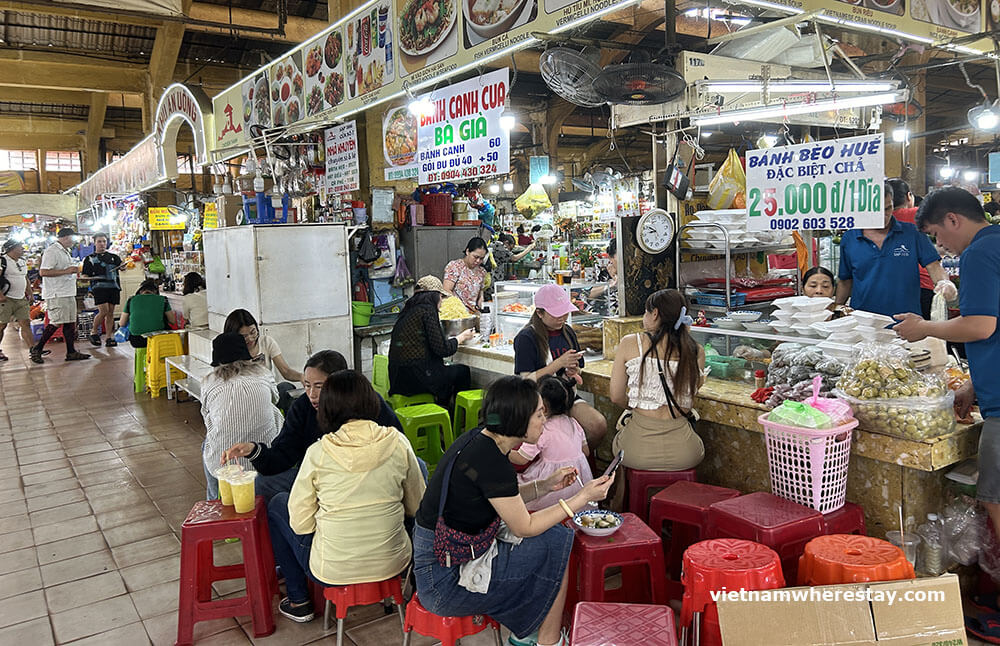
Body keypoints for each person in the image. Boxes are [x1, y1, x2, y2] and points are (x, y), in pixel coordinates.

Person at [413, 376, 615, 646]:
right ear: (520, 417)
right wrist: (583, 497)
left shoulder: (480, 440)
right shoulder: (491, 460)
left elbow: (503, 498)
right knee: (559, 543)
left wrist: (545, 485)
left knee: (550, 539)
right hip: (444, 581)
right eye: (540, 414)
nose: (545, 420)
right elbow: (525, 526)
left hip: (442, 559)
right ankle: (548, 640)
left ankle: (529, 632)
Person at [267, 370, 426, 622]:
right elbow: (417, 506)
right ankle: (418, 580)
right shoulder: (398, 442)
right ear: (371, 400)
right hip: (394, 562)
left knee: (277, 504)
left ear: (327, 409)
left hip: (331, 569)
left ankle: (299, 600)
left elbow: (301, 523)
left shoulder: (318, 452)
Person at [891, 187, 1000, 542]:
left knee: (996, 500)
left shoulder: (979, 252)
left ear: (953, 219)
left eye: (938, 234)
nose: (941, 246)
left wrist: (923, 328)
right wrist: (973, 385)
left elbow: (981, 325)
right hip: (992, 387)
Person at [220, 350, 404, 501]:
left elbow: (397, 443)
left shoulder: (370, 403)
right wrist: (253, 450)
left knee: (415, 465)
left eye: (319, 386)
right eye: (307, 385)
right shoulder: (302, 408)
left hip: (366, 479)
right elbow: (282, 455)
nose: (312, 394)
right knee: (263, 483)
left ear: (339, 384)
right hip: (318, 480)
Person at [609, 289, 706, 476]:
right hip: (685, 452)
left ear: (655, 314)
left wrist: (634, 408)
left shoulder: (630, 343)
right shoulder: (695, 350)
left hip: (636, 451)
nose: (644, 317)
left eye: (646, 312)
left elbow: (616, 396)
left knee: (618, 446)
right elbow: (691, 392)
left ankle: (623, 501)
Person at [836, 182, 955, 317]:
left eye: (887, 208)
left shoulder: (912, 233)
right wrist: (836, 309)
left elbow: (933, 266)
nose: (883, 215)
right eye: (876, 210)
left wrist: (943, 282)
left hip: (906, 322)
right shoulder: (850, 238)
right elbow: (845, 281)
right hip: (863, 321)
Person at [513, 284, 607, 447]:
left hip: (565, 396)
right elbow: (526, 381)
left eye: (564, 312)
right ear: (539, 313)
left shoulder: (568, 332)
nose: (562, 318)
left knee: (598, 425)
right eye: (556, 314)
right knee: (554, 439)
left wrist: (574, 371)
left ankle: (579, 460)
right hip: (539, 399)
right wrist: (558, 363)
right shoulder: (526, 338)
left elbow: (578, 369)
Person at [201, 332, 282, 500]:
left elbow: (206, 415)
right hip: (266, 456)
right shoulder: (263, 373)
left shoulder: (209, 381)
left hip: (225, 462)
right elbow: (276, 398)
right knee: (273, 412)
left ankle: (215, 500)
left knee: (207, 443)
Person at [388, 276, 475, 407]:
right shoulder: (428, 311)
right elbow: (442, 349)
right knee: (462, 372)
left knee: (446, 371)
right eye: (441, 297)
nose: (441, 302)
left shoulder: (408, 311)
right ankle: (455, 418)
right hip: (417, 378)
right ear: (434, 296)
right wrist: (461, 337)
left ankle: (444, 410)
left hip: (398, 378)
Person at [509, 376, 593, 511]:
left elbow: (522, 458)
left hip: (554, 481)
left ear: (544, 408)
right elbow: (586, 452)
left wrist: (502, 449)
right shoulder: (574, 423)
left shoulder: (543, 428)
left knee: (516, 486)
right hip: (578, 481)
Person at [224, 309, 302, 411]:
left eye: (253, 332)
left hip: (268, 394)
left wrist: (302, 377)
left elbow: (286, 371)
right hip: (245, 400)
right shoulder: (229, 352)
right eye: (244, 337)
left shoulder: (266, 342)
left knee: (286, 388)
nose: (251, 338)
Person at [32, 227, 90, 363]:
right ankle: (37, 349)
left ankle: (71, 352)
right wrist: (66, 271)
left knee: (70, 322)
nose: (74, 241)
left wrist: (74, 273)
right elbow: (43, 272)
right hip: (57, 293)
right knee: (56, 322)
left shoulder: (65, 251)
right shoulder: (52, 252)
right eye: (72, 238)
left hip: (68, 291)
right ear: (65, 237)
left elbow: (66, 271)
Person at [887, 178, 936, 319]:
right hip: (924, 284)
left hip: (893, 286)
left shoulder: (879, 220)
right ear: (909, 196)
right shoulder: (920, 214)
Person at [81, 233, 122, 347]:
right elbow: (85, 275)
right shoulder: (89, 259)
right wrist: (85, 277)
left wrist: (123, 267)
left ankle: (109, 337)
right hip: (99, 287)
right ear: (94, 242)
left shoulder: (114, 257)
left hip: (114, 287)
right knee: (103, 311)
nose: (102, 244)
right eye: (99, 241)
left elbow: (121, 267)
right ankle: (94, 331)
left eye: (104, 241)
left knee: (110, 313)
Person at [0, 240, 34, 361]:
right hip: (6, 299)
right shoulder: (2, 261)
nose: (22, 249)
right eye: (20, 247)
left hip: (21, 298)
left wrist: (30, 293)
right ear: (12, 249)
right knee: (2, 325)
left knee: (25, 323)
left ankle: (33, 350)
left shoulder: (22, 262)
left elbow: (25, 278)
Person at [118, 280, 175, 348]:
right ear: (156, 291)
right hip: (157, 339)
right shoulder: (163, 299)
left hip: (136, 340)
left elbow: (122, 323)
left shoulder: (131, 300)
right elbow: (172, 321)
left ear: (140, 291)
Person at [443, 237, 488, 314]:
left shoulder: (482, 272)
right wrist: (460, 306)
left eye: (481, 258)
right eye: (476, 257)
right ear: (467, 251)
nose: (478, 261)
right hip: (456, 312)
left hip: (473, 313)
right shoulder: (454, 267)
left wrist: (481, 305)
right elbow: (446, 290)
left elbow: (480, 294)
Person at [588, 239, 618, 315]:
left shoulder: (632, 273)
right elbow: (589, 295)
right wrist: (609, 286)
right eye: (620, 255)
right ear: (611, 257)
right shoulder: (604, 274)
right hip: (605, 317)